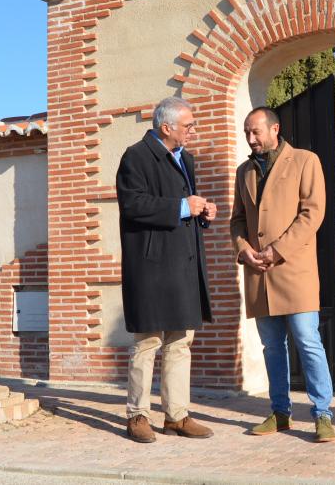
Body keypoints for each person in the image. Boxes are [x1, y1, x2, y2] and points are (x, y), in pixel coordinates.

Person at [230, 106, 335, 443]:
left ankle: (323, 414)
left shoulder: (305, 161)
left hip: (294, 269)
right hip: (258, 274)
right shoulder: (243, 171)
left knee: (308, 341)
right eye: (247, 132)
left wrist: (279, 249)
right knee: (272, 347)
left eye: (255, 131)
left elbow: (312, 212)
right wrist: (243, 248)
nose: (251, 138)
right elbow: (237, 220)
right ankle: (279, 413)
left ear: (274, 129)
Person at [116, 96, 217, 443]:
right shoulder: (136, 156)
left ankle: (177, 416)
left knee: (180, 341)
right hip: (152, 267)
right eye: (188, 125)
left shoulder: (185, 158)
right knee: (148, 341)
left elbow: (184, 208)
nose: (193, 130)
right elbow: (132, 204)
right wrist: (181, 207)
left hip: (183, 266)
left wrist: (200, 212)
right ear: (166, 127)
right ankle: (138, 416)